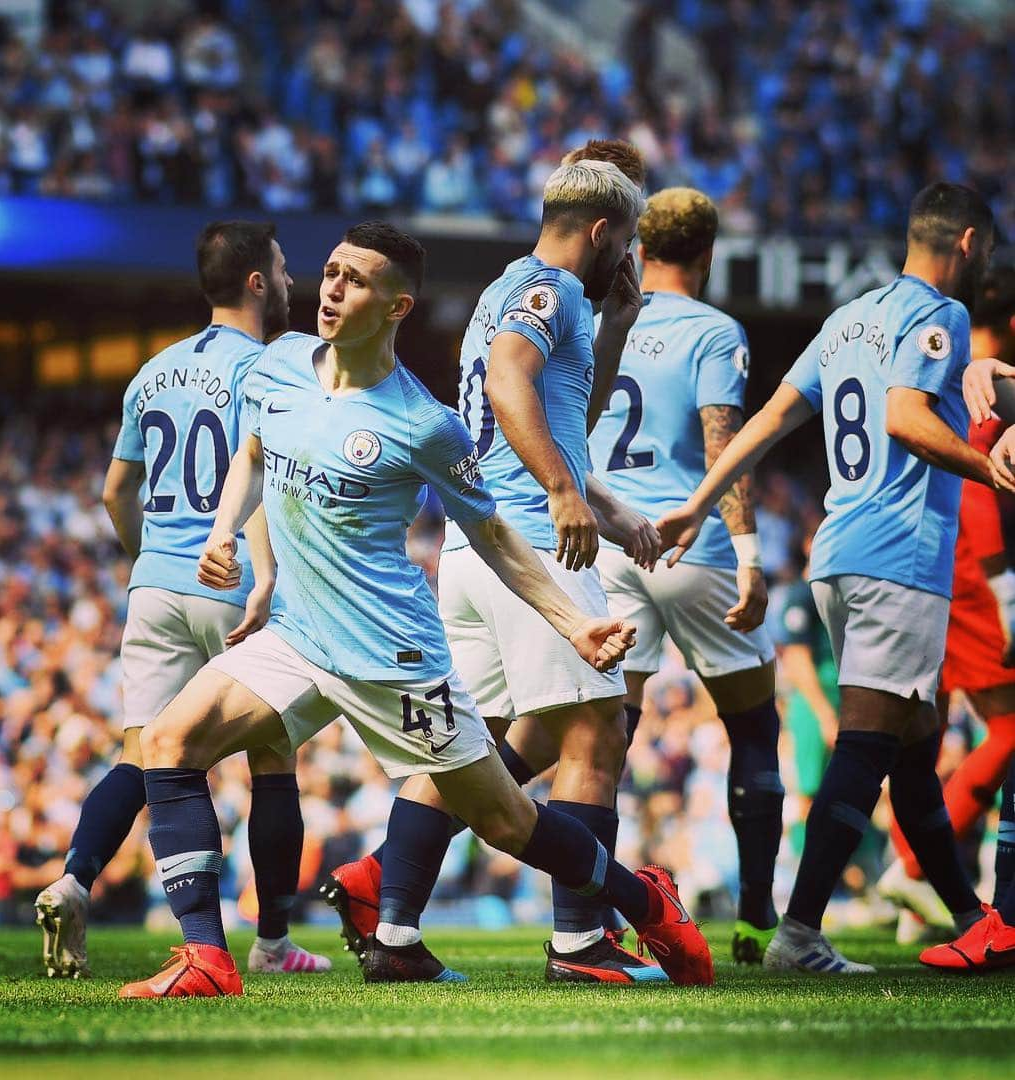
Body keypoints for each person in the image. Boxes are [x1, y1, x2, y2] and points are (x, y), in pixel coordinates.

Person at [118, 220, 713, 999]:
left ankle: (644, 903)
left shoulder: (425, 424)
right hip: (299, 637)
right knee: (168, 742)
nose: (332, 290)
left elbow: (494, 532)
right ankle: (206, 958)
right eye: (330, 273)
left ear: (397, 307)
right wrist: (230, 534)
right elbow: (257, 450)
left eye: (356, 281)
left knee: (509, 824)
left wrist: (574, 624)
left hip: (394, 659)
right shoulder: (279, 363)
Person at [323, 146, 665, 987]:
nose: (626, 258)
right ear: (603, 231)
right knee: (596, 731)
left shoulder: (506, 289)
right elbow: (514, 378)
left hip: (474, 547)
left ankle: (393, 926)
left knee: (473, 749)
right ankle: (581, 945)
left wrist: (615, 326)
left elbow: (564, 409)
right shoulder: (550, 294)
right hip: (530, 542)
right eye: (625, 242)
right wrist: (561, 491)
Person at [657, 182, 1005, 974]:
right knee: (869, 743)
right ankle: (800, 932)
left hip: (837, 554)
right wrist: (991, 467)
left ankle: (973, 919)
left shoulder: (847, 320)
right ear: (970, 243)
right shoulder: (942, 314)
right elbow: (907, 419)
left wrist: (696, 504)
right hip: (900, 559)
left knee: (914, 747)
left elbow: (769, 420)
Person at [34, 221, 330, 979]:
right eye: (285, 268)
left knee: (143, 755)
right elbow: (262, 485)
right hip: (230, 582)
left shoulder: (151, 371)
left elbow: (112, 490)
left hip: (157, 586)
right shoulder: (270, 368)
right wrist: (260, 576)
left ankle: (75, 877)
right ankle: (269, 944)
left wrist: (148, 561)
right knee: (271, 756)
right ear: (258, 281)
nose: (294, 281)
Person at [584, 186, 783, 964]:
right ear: (707, 255)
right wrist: (750, 554)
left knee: (603, 741)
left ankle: (590, 915)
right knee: (754, 729)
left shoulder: (607, 323)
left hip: (607, 543)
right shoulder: (713, 329)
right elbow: (722, 442)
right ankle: (758, 922)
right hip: (684, 542)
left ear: (638, 251)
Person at [879, 268, 1015, 939]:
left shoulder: (948, 366)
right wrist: (1006, 593)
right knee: (1009, 731)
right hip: (973, 575)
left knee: (926, 730)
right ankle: (909, 869)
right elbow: (984, 492)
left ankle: (920, 884)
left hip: (937, 564)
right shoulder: (990, 384)